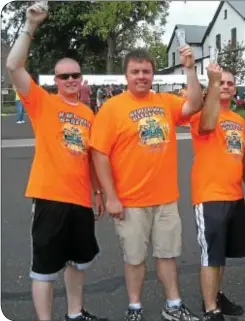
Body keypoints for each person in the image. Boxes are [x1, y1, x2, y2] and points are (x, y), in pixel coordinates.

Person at [5, 3, 104, 321]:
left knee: (79, 263)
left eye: (76, 74)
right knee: (45, 268)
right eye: (65, 76)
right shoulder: (41, 102)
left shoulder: (89, 113)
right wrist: (30, 25)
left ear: (81, 77)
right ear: (56, 79)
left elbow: (91, 157)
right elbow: (13, 66)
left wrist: (99, 192)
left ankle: (74, 314)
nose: (71, 79)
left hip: (80, 201)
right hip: (49, 198)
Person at [90, 47, 203, 321]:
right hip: (130, 201)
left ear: (153, 74)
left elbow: (195, 104)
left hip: (165, 198)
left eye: (146, 71)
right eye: (135, 71)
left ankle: (173, 305)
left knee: (167, 255)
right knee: (134, 258)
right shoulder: (112, 108)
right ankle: (135, 308)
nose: (141, 76)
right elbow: (99, 153)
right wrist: (110, 196)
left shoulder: (165, 101)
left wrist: (190, 69)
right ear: (126, 75)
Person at [190, 65, 245, 321]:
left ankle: (217, 295)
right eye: (221, 82)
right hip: (209, 196)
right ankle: (210, 310)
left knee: (222, 253)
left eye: (229, 83)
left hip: (234, 195)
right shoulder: (202, 115)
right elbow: (207, 125)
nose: (225, 85)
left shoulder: (239, 121)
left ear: (235, 88)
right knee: (211, 254)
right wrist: (213, 84)